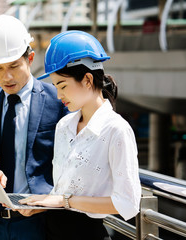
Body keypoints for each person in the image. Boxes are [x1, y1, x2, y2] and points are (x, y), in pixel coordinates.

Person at [18, 30, 142, 239]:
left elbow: (128, 204)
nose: (59, 95)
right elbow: (62, 190)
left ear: (87, 79)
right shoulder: (64, 125)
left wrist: (64, 201)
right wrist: (44, 203)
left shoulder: (116, 129)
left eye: (63, 86)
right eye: (56, 86)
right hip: (51, 230)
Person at [0, 15, 68, 240]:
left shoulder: (58, 101)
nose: (6, 76)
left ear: (30, 59)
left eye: (14, 66)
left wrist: (50, 200)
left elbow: (73, 161)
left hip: (41, 221)